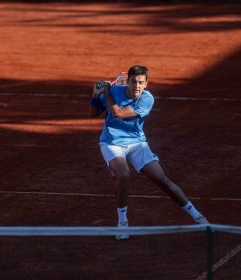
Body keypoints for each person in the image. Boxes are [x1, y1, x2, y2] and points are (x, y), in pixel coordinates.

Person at [89, 65, 209, 240]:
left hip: (137, 143)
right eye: (133, 82)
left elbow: (118, 113)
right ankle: (123, 223)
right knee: (123, 174)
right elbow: (93, 114)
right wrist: (94, 96)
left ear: (146, 84)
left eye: (140, 82)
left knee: (162, 180)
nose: (136, 86)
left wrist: (105, 91)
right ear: (127, 81)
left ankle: (198, 217)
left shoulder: (147, 99)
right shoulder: (115, 90)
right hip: (112, 142)